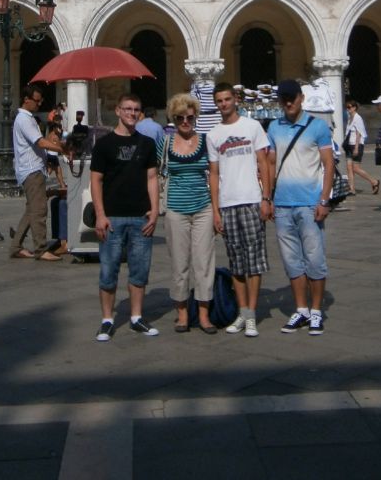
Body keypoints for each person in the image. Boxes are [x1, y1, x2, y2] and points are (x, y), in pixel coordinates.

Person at [267, 79, 334, 336]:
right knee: (291, 261)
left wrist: (324, 199)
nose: (288, 102)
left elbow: (328, 164)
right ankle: (301, 309)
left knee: (315, 259)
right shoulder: (274, 127)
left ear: (301, 98)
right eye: (284, 98)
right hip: (282, 203)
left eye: (292, 97)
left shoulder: (318, 126)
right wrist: (268, 197)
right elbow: (270, 164)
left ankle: (316, 311)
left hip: (309, 203)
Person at [91, 93, 160, 342]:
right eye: (128, 108)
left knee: (139, 270)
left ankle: (136, 317)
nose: (132, 113)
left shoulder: (147, 143)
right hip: (112, 217)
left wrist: (155, 210)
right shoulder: (104, 144)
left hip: (140, 216)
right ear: (118, 111)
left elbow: (152, 178)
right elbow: (96, 180)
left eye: (136, 109)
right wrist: (100, 214)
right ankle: (107, 320)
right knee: (108, 270)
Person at [207, 82, 271, 338]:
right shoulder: (213, 134)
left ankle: (252, 314)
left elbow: (263, 163)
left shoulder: (252, 126)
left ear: (235, 99)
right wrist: (215, 210)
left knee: (254, 261)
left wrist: (266, 197)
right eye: (219, 101)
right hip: (227, 202)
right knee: (236, 262)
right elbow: (213, 174)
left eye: (227, 99)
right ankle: (242, 312)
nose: (224, 104)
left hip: (252, 199)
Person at [158, 92, 216, 334]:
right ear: (173, 119)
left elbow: (214, 174)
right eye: (180, 118)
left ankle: (203, 314)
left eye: (189, 118)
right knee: (179, 263)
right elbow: (152, 174)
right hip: (175, 209)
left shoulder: (205, 141)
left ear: (195, 118)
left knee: (204, 263)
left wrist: (217, 209)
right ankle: (182, 313)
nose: (185, 122)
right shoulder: (165, 143)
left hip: (203, 208)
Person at [10, 84, 66, 261]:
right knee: (39, 210)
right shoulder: (24, 119)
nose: (39, 104)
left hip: (33, 169)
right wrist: (62, 149)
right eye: (37, 100)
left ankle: (16, 247)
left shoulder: (27, 118)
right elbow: (40, 142)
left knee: (31, 210)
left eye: (41, 101)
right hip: (31, 170)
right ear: (26, 100)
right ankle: (41, 249)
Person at [342, 100, 379, 196]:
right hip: (349, 145)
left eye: (349, 107)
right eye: (347, 107)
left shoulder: (358, 118)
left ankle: (374, 181)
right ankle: (352, 189)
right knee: (349, 168)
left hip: (356, 145)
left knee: (356, 168)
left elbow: (359, 133)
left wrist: (356, 147)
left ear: (354, 108)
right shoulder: (350, 118)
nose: (348, 109)